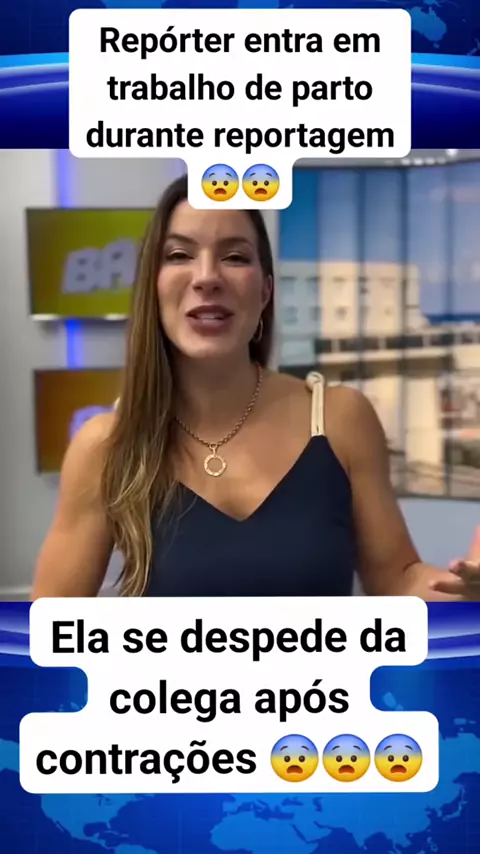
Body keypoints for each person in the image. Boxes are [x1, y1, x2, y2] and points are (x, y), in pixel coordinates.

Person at [31, 175, 480, 601]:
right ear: (153, 287)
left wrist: (462, 587)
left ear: (265, 291)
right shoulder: (104, 448)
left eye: (235, 257)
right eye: (180, 255)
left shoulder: (341, 419)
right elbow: (48, 627)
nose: (207, 277)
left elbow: (399, 581)